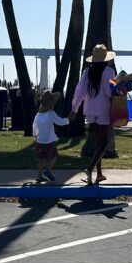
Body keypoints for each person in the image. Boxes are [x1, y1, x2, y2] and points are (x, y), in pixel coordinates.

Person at [70, 44, 116, 185]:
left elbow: (80, 92)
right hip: (103, 109)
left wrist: (74, 109)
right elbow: (110, 91)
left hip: (89, 110)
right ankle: (90, 168)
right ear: (106, 59)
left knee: (98, 142)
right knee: (104, 143)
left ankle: (99, 174)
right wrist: (118, 87)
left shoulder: (87, 72)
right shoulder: (109, 71)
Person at [32, 91, 68, 183]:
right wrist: (68, 119)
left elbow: (34, 127)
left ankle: (39, 175)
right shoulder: (51, 114)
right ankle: (48, 169)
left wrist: (35, 134)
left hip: (40, 140)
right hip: (50, 141)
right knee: (54, 157)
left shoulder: (38, 115)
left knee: (41, 159)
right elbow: (59, 121)